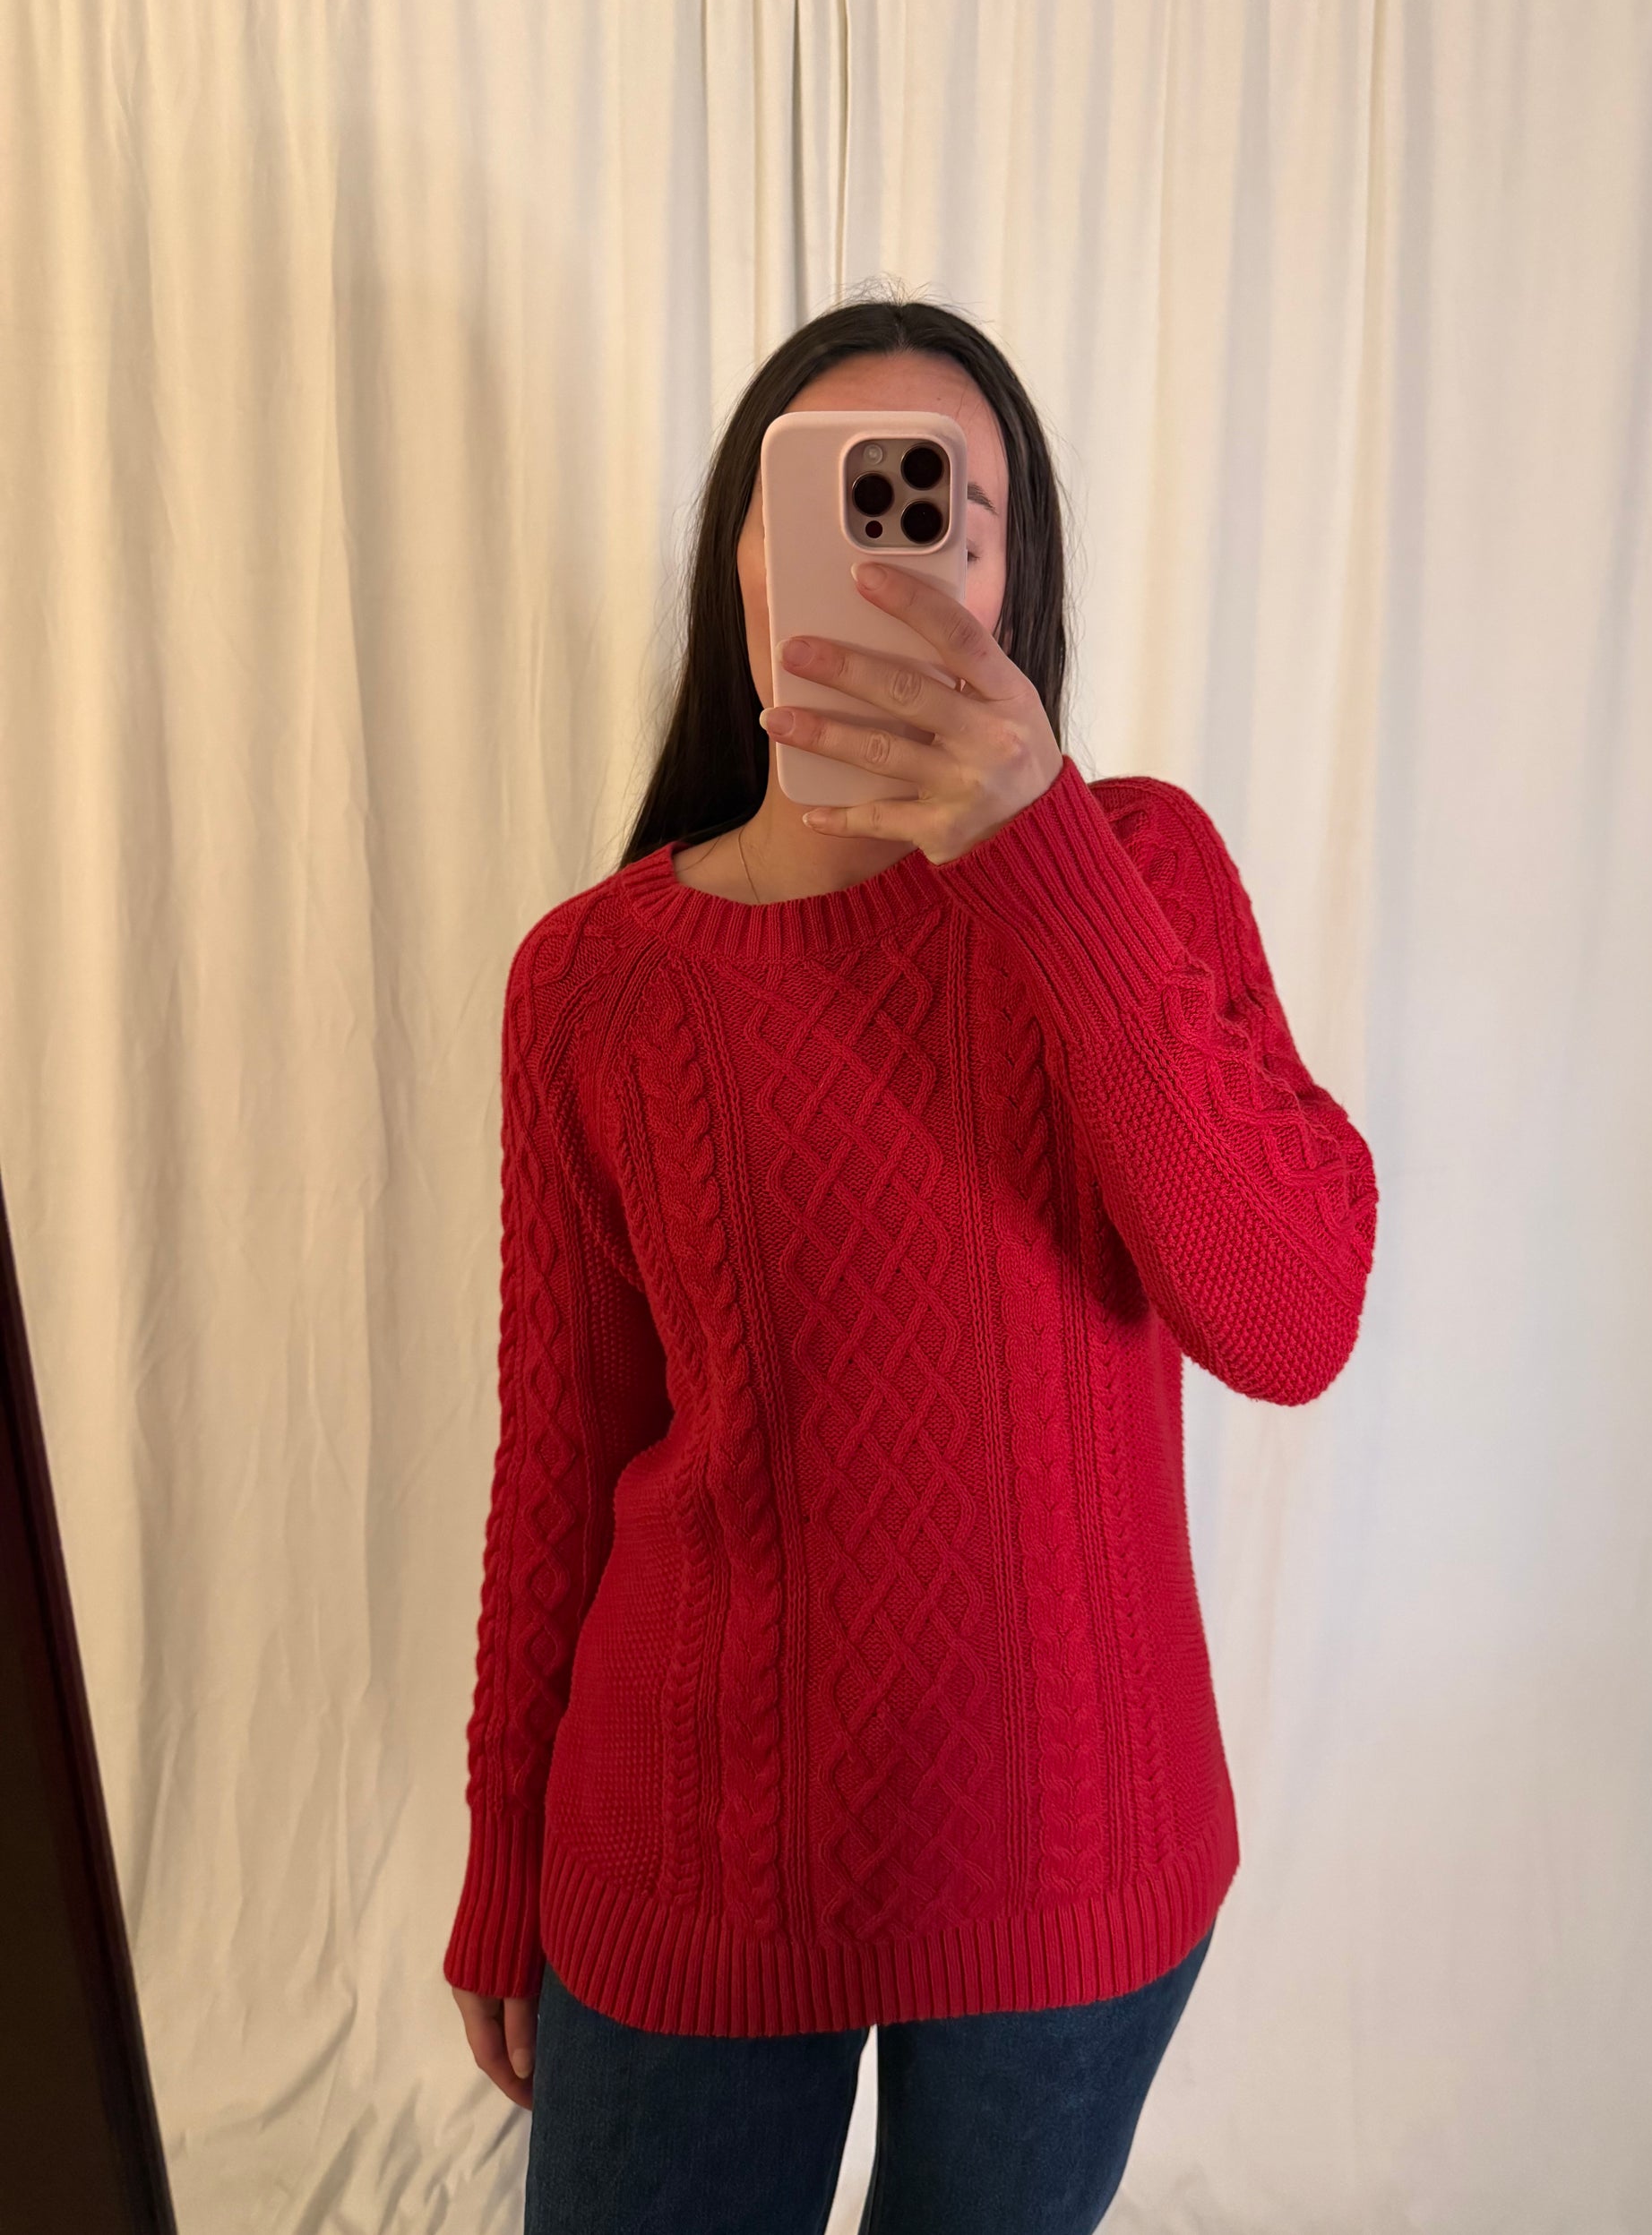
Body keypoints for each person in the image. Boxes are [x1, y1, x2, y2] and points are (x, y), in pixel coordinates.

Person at [444, 291, 1380, 2234]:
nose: (888, 554)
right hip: (687, 1851)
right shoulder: (591, 982)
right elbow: (561, 1456)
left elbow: (1289, 1317)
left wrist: (1036, 853)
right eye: (830, 499)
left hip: (1072, 1853)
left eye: (942, 504)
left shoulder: (1139, 869)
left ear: (1009, 577)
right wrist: (500, 1852)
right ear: (742, 558)